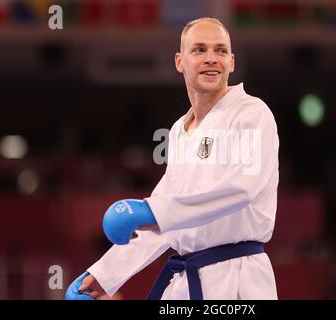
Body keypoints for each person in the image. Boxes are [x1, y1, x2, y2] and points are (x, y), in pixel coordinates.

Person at [65, 17, 280, 300]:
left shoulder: (251, 113)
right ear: (180, 61)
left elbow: (243, 188)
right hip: (185, 279)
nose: (211, 59)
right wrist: (103, 275)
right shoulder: (180, 130)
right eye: (199, 50)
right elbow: (167, 215)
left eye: (220, 51)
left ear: (232, 62)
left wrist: (152, 213)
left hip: (238, 278)